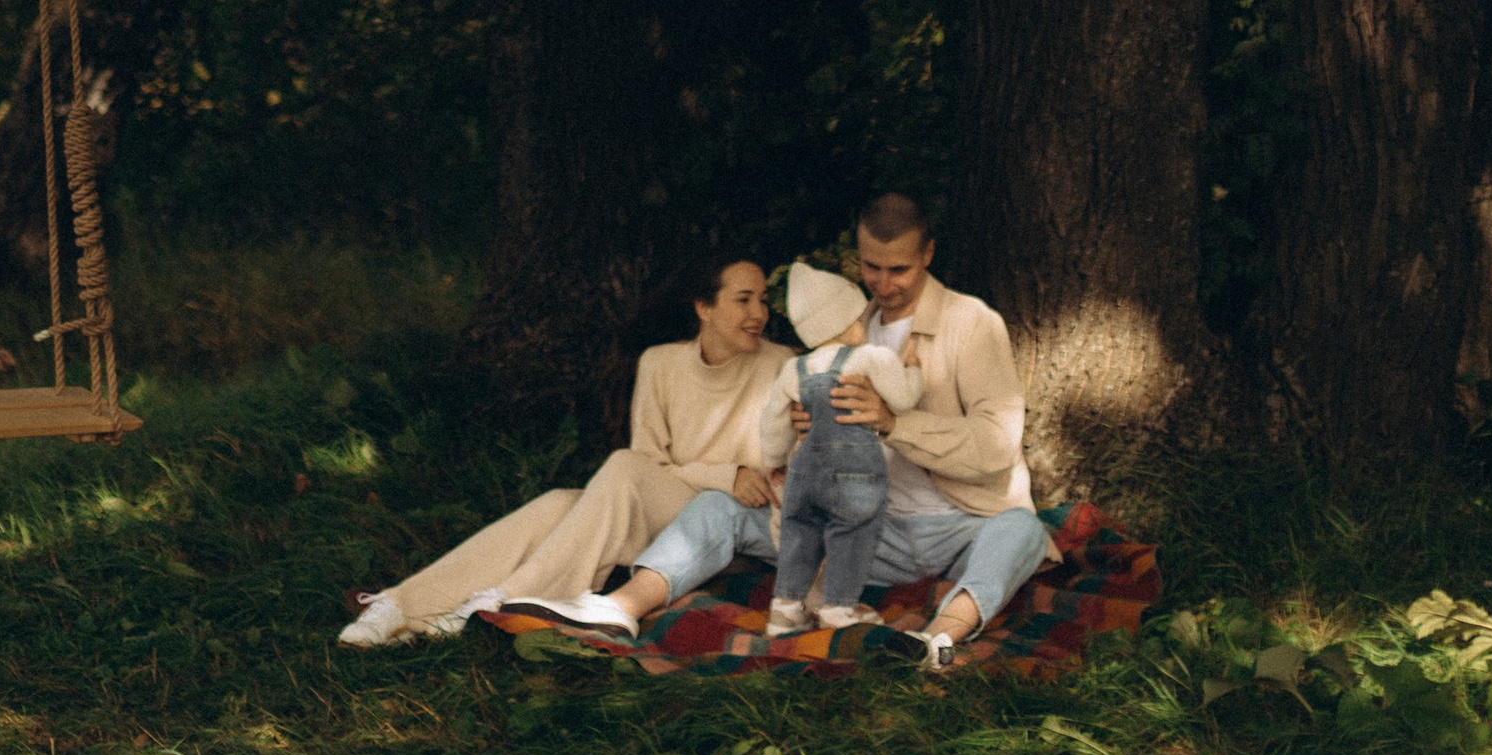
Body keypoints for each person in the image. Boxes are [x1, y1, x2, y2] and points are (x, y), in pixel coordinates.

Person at [523, 192, 1052, 670]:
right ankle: (619, 608)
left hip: (956, 524)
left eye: (900, 270)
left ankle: (934, 641)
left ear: (929, 255)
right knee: (719, 509)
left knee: (1023, 531)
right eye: (872, 267)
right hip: (859, 530)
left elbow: (996, 446)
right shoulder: (843, 322)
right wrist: (806, 430)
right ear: (857, 258)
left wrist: (895, 423)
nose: (884, 284)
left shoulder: (973, 324)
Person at [335, 248, 866, 646]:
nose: (758, 313)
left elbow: (780, 469)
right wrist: (725, 472)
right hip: (681, 498)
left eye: (763, 301)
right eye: (743, 299)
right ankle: (400, 606)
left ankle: (495, 602)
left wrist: (740, 479)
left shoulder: (782, 366)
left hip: (727, 525)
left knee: (619, 470)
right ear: (704, 307)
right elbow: (652, 461)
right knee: (560, 504)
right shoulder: (659, 364)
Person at [755, 322, 926, 636]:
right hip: (854, 469)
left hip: (806, 470)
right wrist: (912, 369)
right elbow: (903, 400)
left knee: (800, 534)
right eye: (858, 319)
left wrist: (775, 462)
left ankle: (785, 611)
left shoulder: (794, 368)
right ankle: (837, 608)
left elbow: (773, 424)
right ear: (847, 325)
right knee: (853, 534)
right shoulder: (869, 357)